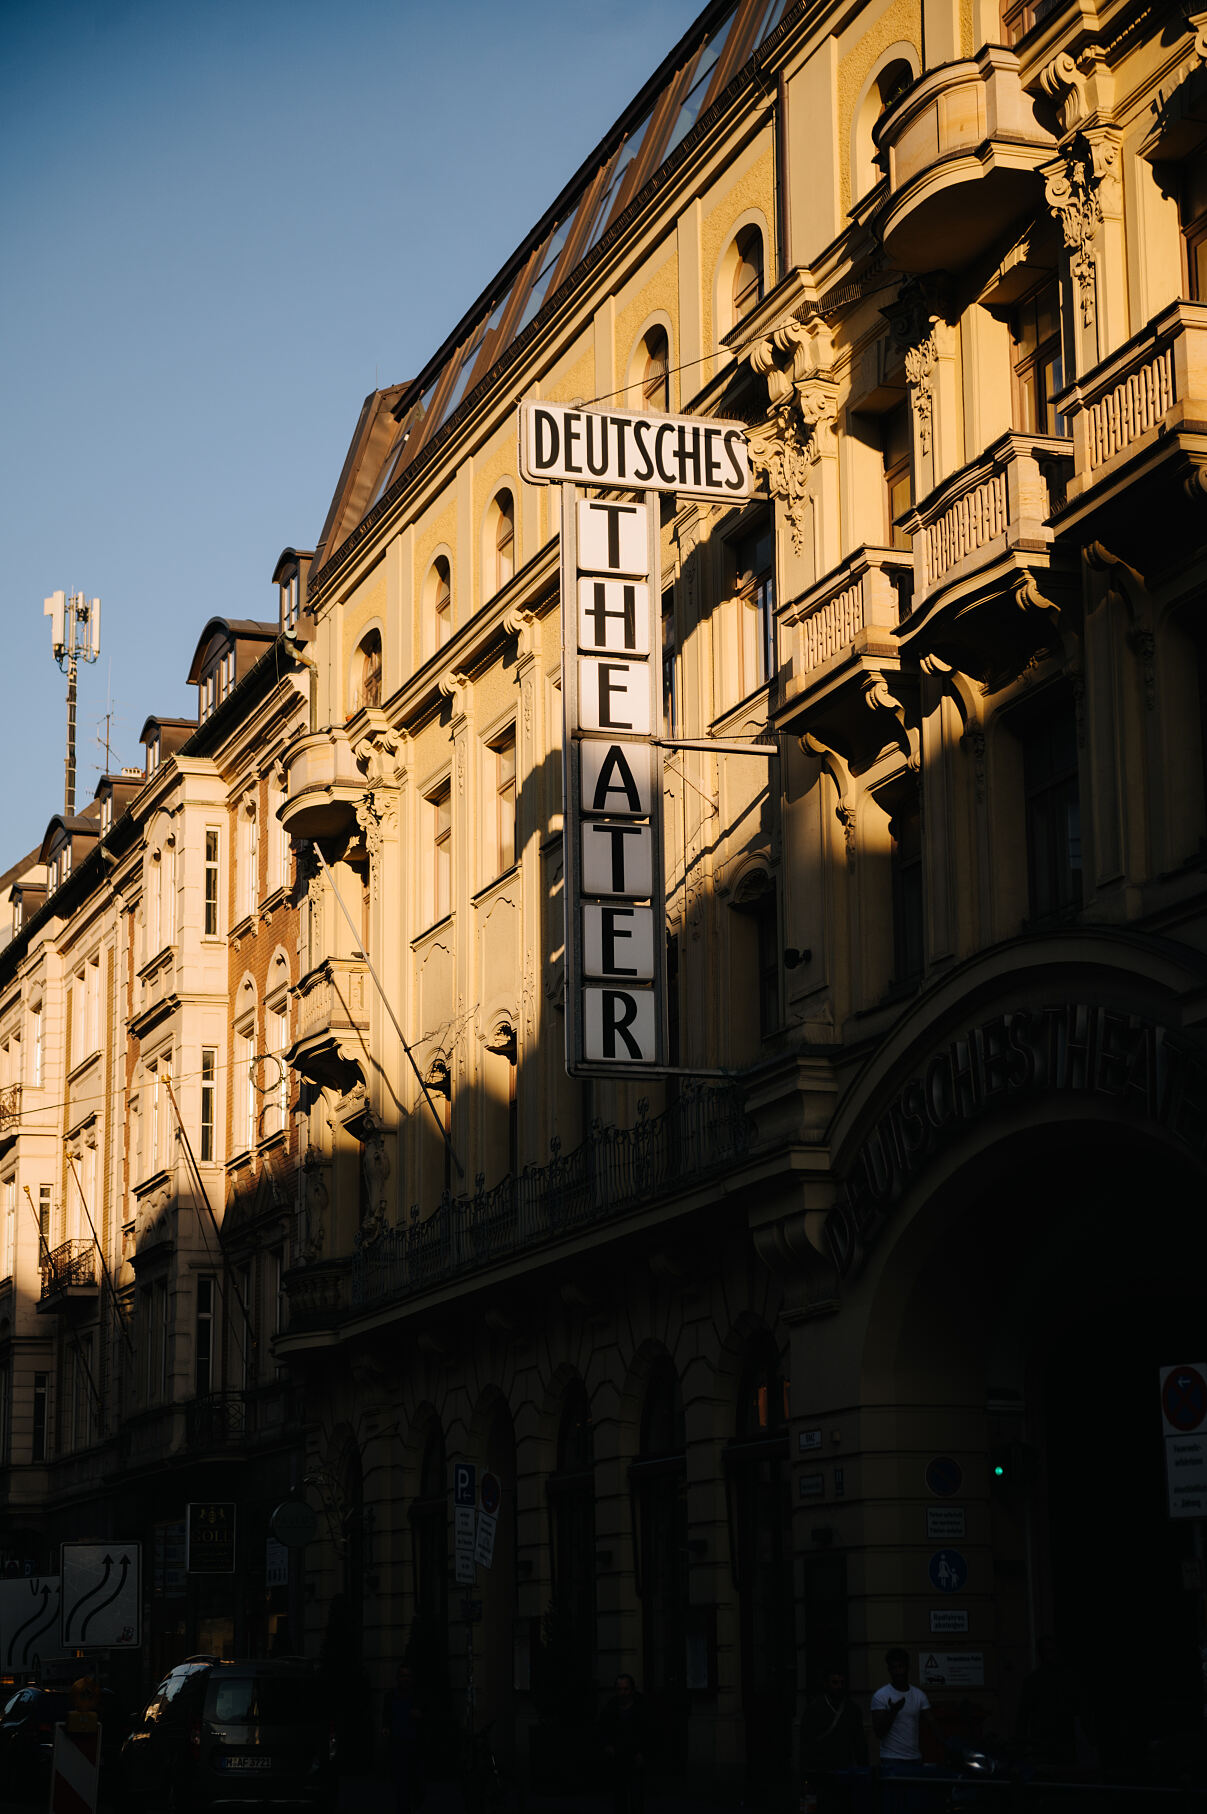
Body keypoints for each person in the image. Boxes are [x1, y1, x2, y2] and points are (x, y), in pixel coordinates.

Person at [870, 1649, 934, 1809]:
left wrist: (947, 1745)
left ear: (907, 1668)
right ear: (889, 1670)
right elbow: (879, 1732)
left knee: (915, 1804)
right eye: (894, 1668)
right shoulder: (881, 1696)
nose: (898, 1671)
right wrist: (893, 1712)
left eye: (901, 1667)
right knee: (894, 1805)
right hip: (891, 1759)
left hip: (914, 1759)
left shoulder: (919, 1695)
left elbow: (931, 1723)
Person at [799, 1667, 866, 1812]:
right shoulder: (815, 1708)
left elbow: (859, 1742)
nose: (839, 1686)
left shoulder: (852, 1709)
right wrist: (805, 1775)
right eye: (835, 1682)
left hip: (844, 1771)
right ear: (826, 1684)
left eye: (841, 1682)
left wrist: (862, 1770)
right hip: (820, 1772)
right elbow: (805, 1742)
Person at [599, 1672, 649, 1814]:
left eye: (626, 1689)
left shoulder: (641, 1707)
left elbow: (648, 1731)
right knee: (620, 1795)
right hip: (618, 1756)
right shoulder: (611, 1707)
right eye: (620, 1689)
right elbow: (603, 1728)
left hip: (635, 1756)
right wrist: (607, 1745)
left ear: (632, 1689)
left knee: (636, 1796)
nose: (623, 1693)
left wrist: (643, 1752)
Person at [381, 1662, 424, 1814]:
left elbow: (426, 1717)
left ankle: (411, 1803)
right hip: (397, 1744)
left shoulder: (416, 1696)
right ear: (398, 1678)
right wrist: (386, 1729)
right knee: (400, 1782)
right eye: (403, 1676)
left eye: (408, 1676)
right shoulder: (391, 1696)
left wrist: (420, 1717)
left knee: (414, 1780)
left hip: (413, 1745)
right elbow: (386, 1717)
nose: (405, 1679)